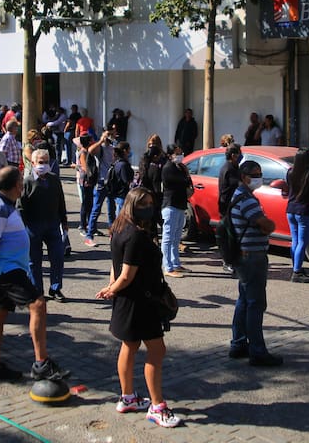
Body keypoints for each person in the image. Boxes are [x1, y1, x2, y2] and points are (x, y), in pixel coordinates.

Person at [95, 188, 181, 428]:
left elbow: (116, 267)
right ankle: (157, 405)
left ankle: (128, 397)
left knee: (129, 345)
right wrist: (112, 288)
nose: (149, 207)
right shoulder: (136, 236)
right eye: (144, 203)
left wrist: (111, 287)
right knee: (157, 350)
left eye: (151, 202)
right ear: (133, 206)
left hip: (127, 301)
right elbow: (127, 274)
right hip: (140, 302)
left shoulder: (119, 229)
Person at [0, 166, 70, 382]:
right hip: (8, 270)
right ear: (15, 184)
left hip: (12, 268)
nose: (23, 186)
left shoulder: (6, 204)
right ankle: (41, 363)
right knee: (38, 304)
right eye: (20, 182)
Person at [229, 160, 283, 366]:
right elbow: (266, 224)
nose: (259, 177)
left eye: (260, 173)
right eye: (255, 174)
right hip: (252, 256)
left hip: (245, 255)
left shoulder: (240, 195)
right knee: (255, 303)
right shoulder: (247, 200)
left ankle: (239, 342)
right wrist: (267, 224)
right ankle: (257, 351)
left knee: (244, 300)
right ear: (244, 176)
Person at [19, 149, 68, 301]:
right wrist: (22, 227)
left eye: (46, 162)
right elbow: (20, 206)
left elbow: (61, 200)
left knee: (58, 256)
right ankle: (36, 290)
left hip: (53, 224)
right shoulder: (27, 182)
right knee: (34, 260)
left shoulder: (54, 179)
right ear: (33, 163)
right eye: (41, 162)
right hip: (33, 226)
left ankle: (56, 288)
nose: (44, 165)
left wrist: (64, 221)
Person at [286, 148, 309, 283]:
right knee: (302, 242)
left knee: (295, 241)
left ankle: (296, 267)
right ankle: (297, 271)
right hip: (305, 212)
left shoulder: (290, 173)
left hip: (290, 210)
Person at [160, 144, 191, 277]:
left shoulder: (179, 167)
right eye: (177, 153)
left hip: (179, 205)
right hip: (170, 206)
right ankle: (167, 267)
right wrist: (186, 176)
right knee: (168, 237)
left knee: (176, 238)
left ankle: (175, 263)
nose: (180, 155)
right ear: (170, 154)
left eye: (180, 152)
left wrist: (186, 174)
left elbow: (187, 181)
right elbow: (183, 182)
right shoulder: (168, 168)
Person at [84, 127, 117, 247]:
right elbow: (90, 150)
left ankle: (112, 234)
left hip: (112, 182)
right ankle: (89, 236)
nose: (111, 136)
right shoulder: (101, 148)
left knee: (111, 210)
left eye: (113, 134)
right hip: (101, 182)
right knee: (96, 209)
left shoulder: (113, 147)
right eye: (110, 134)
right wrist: (101, 140)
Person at [218, 144, 243, 275]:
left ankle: (233, 260)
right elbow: (235, 184)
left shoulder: (234, 167)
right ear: (233, 155)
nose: (240, 156)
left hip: (233, 206)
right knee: (228, 237)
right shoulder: (229, 168)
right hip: (227, 206)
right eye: (239, 154)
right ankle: (227, 262)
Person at [75, 133, 97, 236]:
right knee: (85, 203)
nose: (93, 141)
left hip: (89, 180)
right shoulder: (83, 152)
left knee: (90, 203)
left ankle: (90, 225)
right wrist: (91, 174)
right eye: (91, 140)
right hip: (85, 181)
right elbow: (85, 167)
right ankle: (82, 225)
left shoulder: (88, 151)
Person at [110, 141, 134, 214]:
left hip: (119, 194)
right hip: (122, 195)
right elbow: (126, 180)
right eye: (129, 149)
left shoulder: (117, 163)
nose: (130, 152)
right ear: (125, 151)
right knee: (122, 217)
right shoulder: (123, 165)